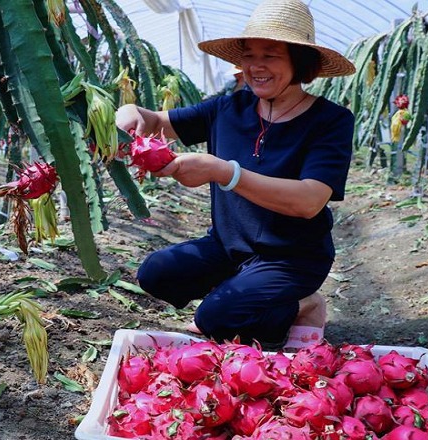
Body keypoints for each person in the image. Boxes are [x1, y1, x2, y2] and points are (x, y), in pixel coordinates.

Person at [115, 0, 356, 349]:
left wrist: (223, 172)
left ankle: (303, 303)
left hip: (293, 257)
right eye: (249, 55)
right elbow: (157, 123)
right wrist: (131, 111)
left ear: (300, 61)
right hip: (227, 247)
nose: (256, 66)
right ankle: (242, 296)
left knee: (215, 320)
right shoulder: (227, 108)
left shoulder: (329, 121)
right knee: (156, 273)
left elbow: (309, 201)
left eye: (270, 55)